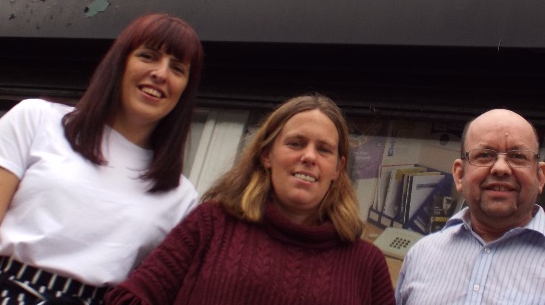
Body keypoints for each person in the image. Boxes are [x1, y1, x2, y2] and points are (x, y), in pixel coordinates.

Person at [105, 94, 396, 305]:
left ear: (337, 169)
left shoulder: (366, 264)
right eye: (295, 143)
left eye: (324, 150)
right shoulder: (211, 225)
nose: (309, 157)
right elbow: (128, 298)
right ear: (266, 155)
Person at [0, 13, 204, 304]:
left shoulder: (182, 197)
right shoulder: (36, 119)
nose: (161, 73)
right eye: (148, 56)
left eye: (178, 68)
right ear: (119, 63)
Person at [396, 108, 545, 304]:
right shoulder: (421, 256)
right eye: (484, 155)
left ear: (540, 177)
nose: (501, 168)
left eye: (518, 156)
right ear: (459, 174)